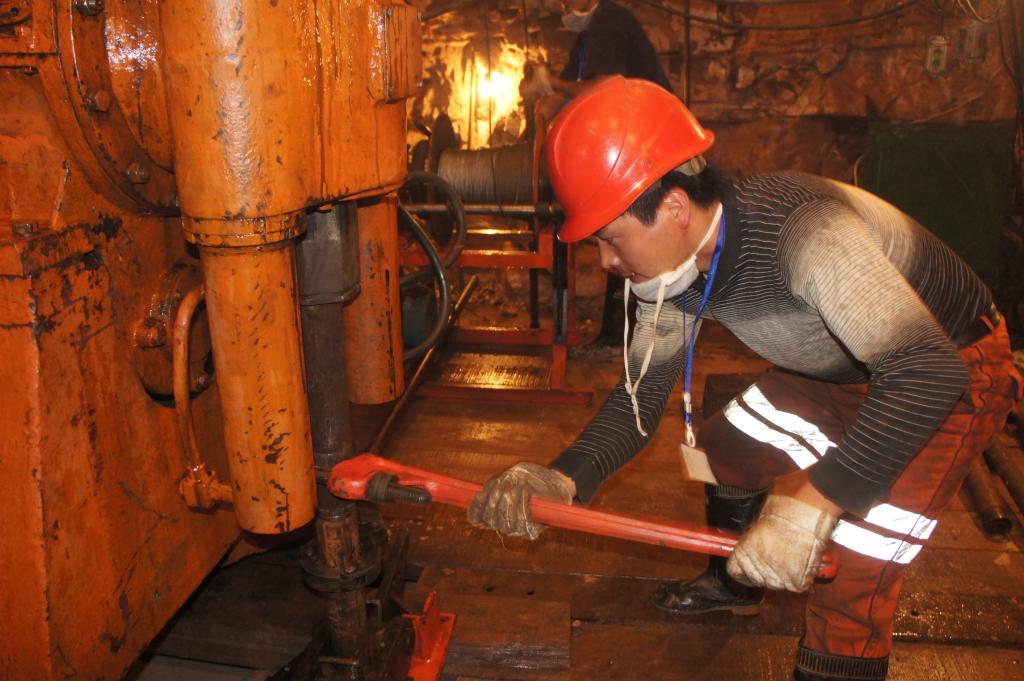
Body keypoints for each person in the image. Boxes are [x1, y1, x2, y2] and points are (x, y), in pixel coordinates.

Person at [468, 77, 1021, 681]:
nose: (605, 261)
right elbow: (640, 398)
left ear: (674, 209)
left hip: (945, 374)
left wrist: (813, 505)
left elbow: (926, 370)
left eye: (611, 238)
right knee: (718, 451)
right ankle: (733, 584)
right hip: (835, 369)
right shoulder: (672, 275)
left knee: (849, 573)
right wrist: (564, 476)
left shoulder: (806, 235)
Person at [521, 0, 671, 358]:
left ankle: (627, 339)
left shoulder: (610, 19)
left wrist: (552, 82)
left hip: (649, 139)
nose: (563, 6)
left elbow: (606, 86)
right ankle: (616, 336)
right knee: (621, 236)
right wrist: (543, 101)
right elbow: (568, 91)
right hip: (626, 142)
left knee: (631, 236)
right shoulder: (586, 38)